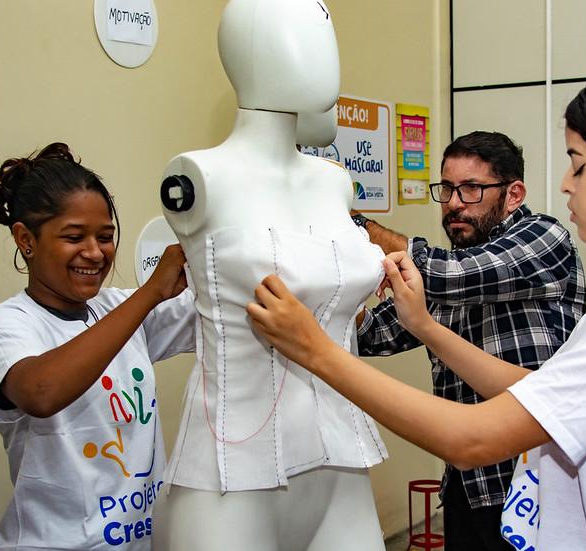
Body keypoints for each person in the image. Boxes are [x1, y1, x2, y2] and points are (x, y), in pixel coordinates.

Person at [247, 61, 586, 550]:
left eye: (579, 166)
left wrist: (315, 349)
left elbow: (471, 438)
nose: (566, 184)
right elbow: (535, 391)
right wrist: (425, 327)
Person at [152, 1, 387, 549]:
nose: (324, 55)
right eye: (302, 34)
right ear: (245, 52)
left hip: (340, 466)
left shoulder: (333, 183)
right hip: (231, 480)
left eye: (325, 33)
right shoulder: (200, 176)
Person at [351, 130, 586, 550]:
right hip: (467, 483)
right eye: (447, 189)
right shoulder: (453, 269)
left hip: (533, 484)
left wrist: (354, 227)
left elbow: (454, 275)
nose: (455, 203)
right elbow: (374, 335)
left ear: (514, 194)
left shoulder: (545, 238)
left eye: (472, 189)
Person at [0, 142, 195, 550]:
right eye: (74, 237)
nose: (95, 253)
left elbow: (227, 312)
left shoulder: (118, 309)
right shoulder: (9, 324)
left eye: (106, 236)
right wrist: (149, 294)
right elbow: (41, 392)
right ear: (26, 239)